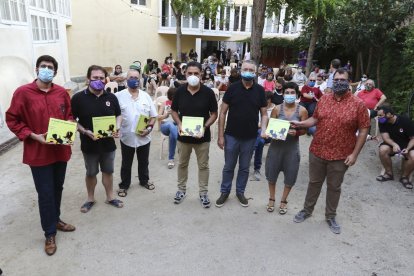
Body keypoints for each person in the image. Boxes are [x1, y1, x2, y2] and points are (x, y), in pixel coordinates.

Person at [6, 55, 75, 256]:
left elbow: (69, 115)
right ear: (37, 69)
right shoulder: (23, 93)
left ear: (54, 72)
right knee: (45, 193)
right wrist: (32, 135)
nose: (46, 69)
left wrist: (69, 126)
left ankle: (56, 219)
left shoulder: (62, 93)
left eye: (50, 67)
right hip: (38, 153)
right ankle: (49, 233)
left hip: (60, 150)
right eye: (43, 66)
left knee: (57, 188)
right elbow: (12, 119)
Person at [292, 68, 370, 234]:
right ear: (332, 81)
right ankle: (307, 210)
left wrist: (354, 154)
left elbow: (364, 130)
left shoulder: (358, 105)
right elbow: (315, 119)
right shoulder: (324, 99)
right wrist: (300, 124)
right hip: (318, 150)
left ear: (349, 83)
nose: (339, 83)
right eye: (336, 80)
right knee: (314, 183)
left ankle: (330, 216)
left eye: (343, 80)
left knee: (334, 187)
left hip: (341, 156)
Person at [71, 65, 124, 213]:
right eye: (95, 78)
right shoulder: (78, 98)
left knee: (108, 171)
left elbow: (118, 115)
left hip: (108, 145)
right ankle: (90, 198)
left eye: (101, 78)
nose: (98, 81)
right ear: (88, 79)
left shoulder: (111, 97)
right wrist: (85, 131)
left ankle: (110, 197)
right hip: (89, 144)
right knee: (91, 173)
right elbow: (72, 119)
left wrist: (118, 127)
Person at [216, 60, 268, 208]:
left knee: (244, 167)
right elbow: (223, 113)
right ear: (240, 70)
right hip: (231, 135)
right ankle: (224, 192)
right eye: (245, 69)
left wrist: (263, 130)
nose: (248, 72)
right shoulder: (232, 88)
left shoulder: (259, 90)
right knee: (229, 166)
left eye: (251, 70)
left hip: (250, 137)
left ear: (255, 72)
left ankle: (240, 192)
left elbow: (264, 114)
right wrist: (221, 136)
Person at [171, 61, 218, 208]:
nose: (193, 76)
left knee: (203, 166)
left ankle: (203, 193)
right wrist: (179, 124)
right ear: (185, 74)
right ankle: (181, 190)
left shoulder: (208, 93)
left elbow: (214, 114)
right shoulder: (179, 92)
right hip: (184, 137)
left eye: (196, 73)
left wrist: (204, 127)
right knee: (182, 164)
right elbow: (173, 111)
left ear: (201, 74)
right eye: (190, 73)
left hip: (202, 137)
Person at [265, 82, 308, 214]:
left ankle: (284, 200)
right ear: (283, 94)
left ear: (297, 94)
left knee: (290, 175)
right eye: (287, 93)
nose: (289, 95)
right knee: (271, 174)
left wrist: (297, 132)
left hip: (292, 148)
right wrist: (272, 133)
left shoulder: (302, 110)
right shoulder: (277, 109)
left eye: (292, 93)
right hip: (276, 147)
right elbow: (270, 127)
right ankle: (271, 198)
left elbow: (305, 130)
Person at [115, 69, 158, 197]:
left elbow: (153, 116)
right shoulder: (118, 96)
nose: (134, 79)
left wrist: (149, 129)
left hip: (144, 137)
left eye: (136, 77)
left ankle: (144, 180)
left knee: (144, 161)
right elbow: (113, 115)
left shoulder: (145, 96)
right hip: (126, 137)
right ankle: (124, 185)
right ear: (126, 79)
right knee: (126, 163)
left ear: (140, 79)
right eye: (131, 77)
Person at [376, 106, 414, 189]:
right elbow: (385, 137)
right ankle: (389, 174)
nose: (379, 118)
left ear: (389, 114)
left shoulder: (405, 121)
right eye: (378, 116)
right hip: (392, 143)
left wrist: (407, 148)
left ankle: (404, 177)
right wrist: (394, 144)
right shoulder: (382, 122)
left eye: (381, 116)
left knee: (413, 156)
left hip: (407, 144)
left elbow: (413, 138)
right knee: (383, 150)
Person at [252, 91, 275, 181]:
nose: (264, 101)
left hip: (270, 134)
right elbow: (255, 123)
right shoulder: (258, 107)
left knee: (259, 136)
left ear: (270, 100)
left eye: (267, 99)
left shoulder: (275, 109)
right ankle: (257, 168)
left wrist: (263, 125)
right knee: (260, 141)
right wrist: (265, 124)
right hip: (258, 133)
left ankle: (251, 151)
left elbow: (275, 125)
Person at [158, 88, 178, 169]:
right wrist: (165, 115)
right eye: (172, 96)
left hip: (176, 126)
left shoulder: (180, 104)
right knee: (170, 124)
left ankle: (171, 159)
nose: (173, 97)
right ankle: (179, 139)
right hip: (165, 126)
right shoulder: (164, 103)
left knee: (172, 133)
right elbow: (158, 117)